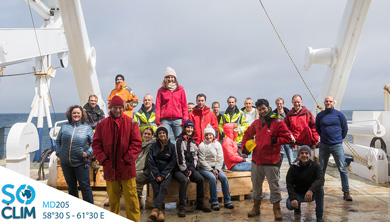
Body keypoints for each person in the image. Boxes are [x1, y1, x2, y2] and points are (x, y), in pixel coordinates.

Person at [92, 95, 142, 221]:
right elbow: (96, 144)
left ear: (123, 108)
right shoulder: (102, 124)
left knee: (132, 201)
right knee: (113, 202)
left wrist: (127, 159)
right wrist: (103, 160)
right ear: (110, 108)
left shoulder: (131, 123)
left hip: (127, 169)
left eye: (120, 107)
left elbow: (136, 144)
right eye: (115, 107)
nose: (118, 110)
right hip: (110, 169)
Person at [241, 99, 291, 220]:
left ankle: (277, 210)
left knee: (274, 186)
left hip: (271, 161)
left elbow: (287, 138)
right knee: (256, 184)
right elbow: (247, 134)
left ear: (268, 108)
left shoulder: (278, 122)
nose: (262, 111)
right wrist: (245, 148)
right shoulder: (257, 122)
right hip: (256, 160)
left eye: (263, 108)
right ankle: (256, 208)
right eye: (259, 109)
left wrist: (276, 141)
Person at [316, 96, 352, 201]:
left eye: (330, 101)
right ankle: (319, 191)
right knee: (321, 169)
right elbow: (318, 128)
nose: (328, 103)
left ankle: (346, 192)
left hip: (337, 145)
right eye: (326, 101)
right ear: (324, 102)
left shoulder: (339, 115)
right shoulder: (320, 115)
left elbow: (345, 128)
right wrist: (324, 138)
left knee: (342, 169)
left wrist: (339, 139)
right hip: (324, 145)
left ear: (334, 103)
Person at [56, 105, 94, 204]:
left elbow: (94, 143)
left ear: (82, 115)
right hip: (66, 163)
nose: (76, 115)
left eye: (78, 113)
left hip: (81, 163)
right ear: (70, 114)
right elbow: (58, 141)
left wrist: (88, 152)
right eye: (74, 113)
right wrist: (59, 152)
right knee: (71, 187)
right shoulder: (64, 127)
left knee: (85, 187)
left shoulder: (87, 128)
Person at [173, 120, 211, 217]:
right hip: (178, 169)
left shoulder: (193, 141)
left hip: (189, 169)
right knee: (184, 181)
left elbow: (195, 158)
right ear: (184, 128)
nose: (189, 129)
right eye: (187, 127)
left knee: (200, 179)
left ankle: (200, 203)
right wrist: (186, 172)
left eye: (191, 128)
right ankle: (182, 207)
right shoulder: (179, 140)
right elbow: (179, 159)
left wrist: (191, 170)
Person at [198, 124, 234, 211]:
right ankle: (214, 202)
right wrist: (211, 170)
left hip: (216, 167)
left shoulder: (218, 144)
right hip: (204, 168)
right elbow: (202, 160)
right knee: (212, 178)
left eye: (210, 135)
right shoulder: (202, 145)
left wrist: (217, 169)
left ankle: (227, 201)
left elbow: (220, 158)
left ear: (213, 135)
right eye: (206, 135)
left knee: (224, 178)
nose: (208, 136)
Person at [286, 146, 324, 222]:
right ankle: (297, 207)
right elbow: (289, 184)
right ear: (299, 155)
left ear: (309, 155)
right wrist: (293, 198)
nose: (304, 155)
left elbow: (320, 179)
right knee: (289, 205)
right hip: (299, 193)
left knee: (320, 189)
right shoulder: (293, 167)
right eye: (302, 153)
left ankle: (319, 216)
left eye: (306, 153)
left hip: (311, 194)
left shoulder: (315, 166)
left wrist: (311, 190)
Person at [148, 126, 177, 222]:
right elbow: (151, 161)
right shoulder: (153, 146)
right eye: (160, 133)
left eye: (163, 133)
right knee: (156, 189)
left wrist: (163, 175)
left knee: (163, 187)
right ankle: (160, 213)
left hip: (166, 173)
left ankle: (155, 210)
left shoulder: (172, 147)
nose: (162, 135)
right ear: (157, 135)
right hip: (154, 173)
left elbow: (172, 162)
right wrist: (157, 175)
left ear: (166, 134)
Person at [155, 67, 188, 143]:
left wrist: (185, 119)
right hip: (165, 120)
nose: (170, 79)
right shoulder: (161, 90)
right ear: (165, 78)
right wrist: (158, 121)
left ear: (175, 78)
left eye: (172, 77)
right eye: (168, 77)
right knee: (165, 140)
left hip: (178, 119)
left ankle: (179, 155)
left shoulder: (180, 89)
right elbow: (157, 106)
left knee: (180, 140)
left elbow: (184, 105)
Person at [135, 127, 155, 209]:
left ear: (152, 136)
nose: (146, 135)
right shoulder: (143, 144)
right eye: (145, 134)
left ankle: (138, 200)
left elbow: (143, 161)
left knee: (136, 177)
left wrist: (135, 169)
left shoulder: (150, 146)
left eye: (149, 134)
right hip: (140, 167)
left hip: (147, 170)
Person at [273, 97, 294, 166]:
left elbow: (292, 125)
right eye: (278, 104)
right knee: (278, 160)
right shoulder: (274, 115)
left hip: (288, 139)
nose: (279, 105)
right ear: (276, 104)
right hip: (279, 140)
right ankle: (277, 177)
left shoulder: (288, 113)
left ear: (283, 104)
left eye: (280, 103)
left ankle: (294, 175)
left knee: (291, 160)